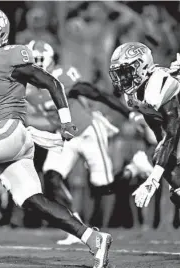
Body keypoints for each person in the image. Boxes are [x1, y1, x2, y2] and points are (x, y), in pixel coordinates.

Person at [0, 7, 112, 268]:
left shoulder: (11, 55)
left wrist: (66, 121)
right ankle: (93, 238)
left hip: (8, 131)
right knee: (32, 200)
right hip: (11, 138)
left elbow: (52, 82)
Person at [26, 40, 129, 245]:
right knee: (52, 177)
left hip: (88, 131)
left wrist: (128, 112)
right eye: (31, 61)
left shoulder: (62, 76)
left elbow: (95, 93)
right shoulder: (28, 88)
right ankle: (77, 226)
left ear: (49, 60)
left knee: (103, 187)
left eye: (38, 60)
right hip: (66, 137)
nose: (34, 65)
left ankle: (133, 170)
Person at [109, 42, 180, 209]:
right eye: (120, 73)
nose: (122, 78)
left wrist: (153, 180)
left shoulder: (159, 85)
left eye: (126, 72)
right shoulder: (135, 95)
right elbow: (160, 133)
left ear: (142, 66)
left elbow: (172, 132)